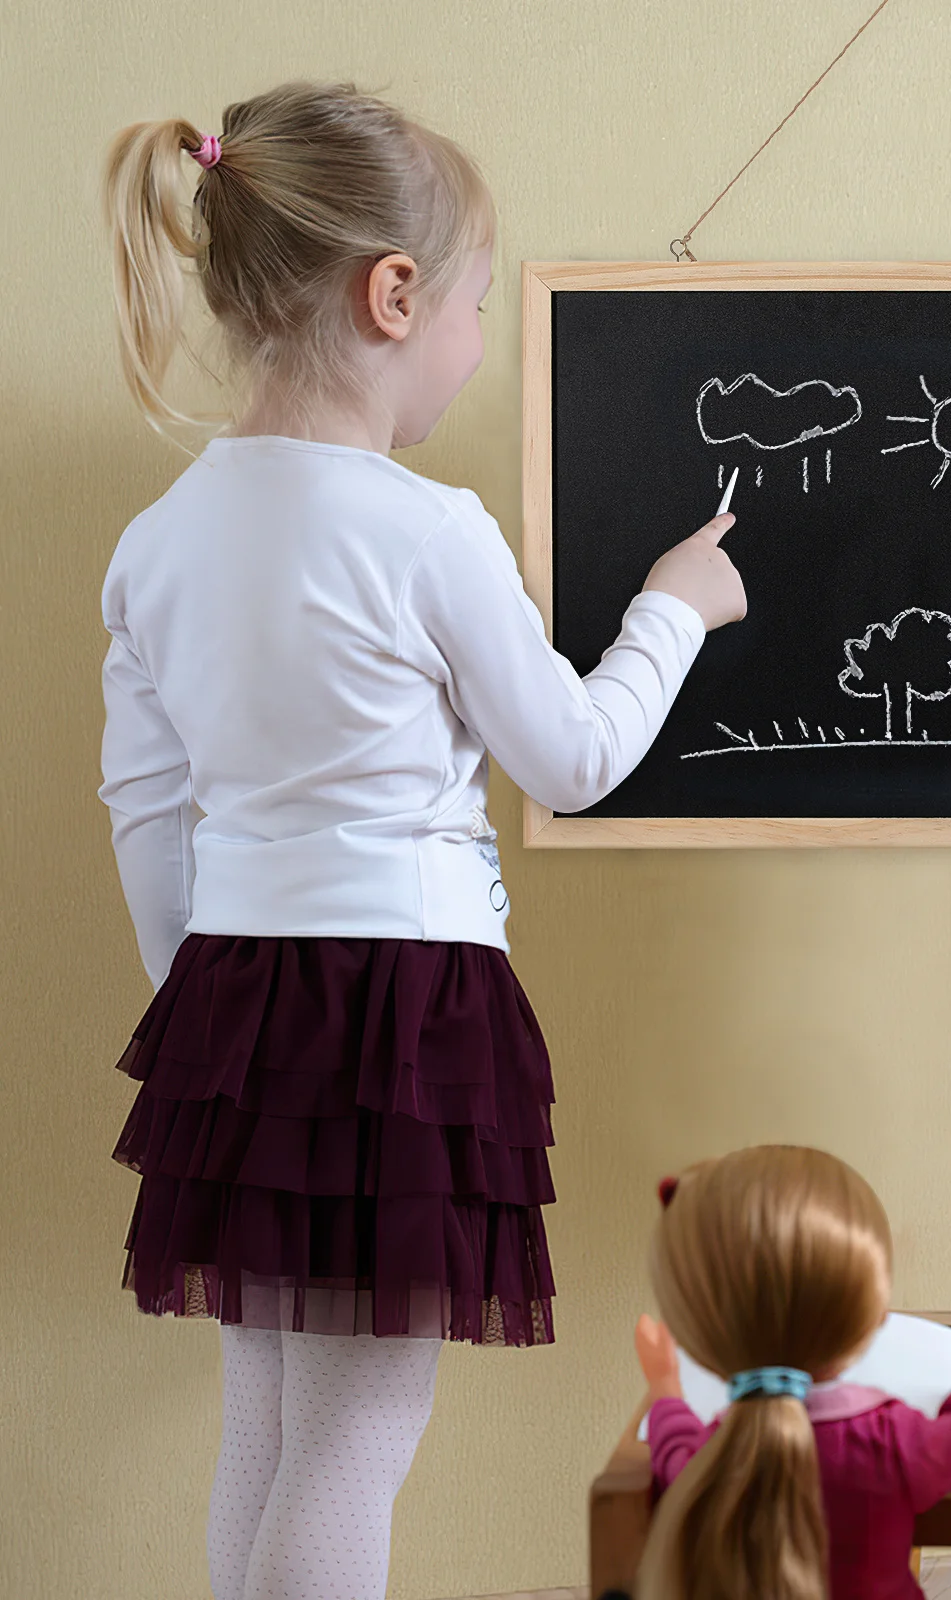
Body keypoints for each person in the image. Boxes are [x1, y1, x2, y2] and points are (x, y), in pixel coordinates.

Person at [98, 82, 745, 1600]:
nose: (472, 341)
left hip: (232, 1003)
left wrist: (209, 1014)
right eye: (467, 305)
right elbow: (572, 759)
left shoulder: (158, 542)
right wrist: (672, 611)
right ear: (392, 297)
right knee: (358, 1434)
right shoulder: (428, 528)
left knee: (267, 1418)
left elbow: (148, 813)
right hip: (399, 1006)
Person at [632, 1146, 951, 1600]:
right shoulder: (890, 1444)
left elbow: (674, 1452)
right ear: (874, 1314)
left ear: (697, 1327)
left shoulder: (714, 1459)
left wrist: (665, 1389)